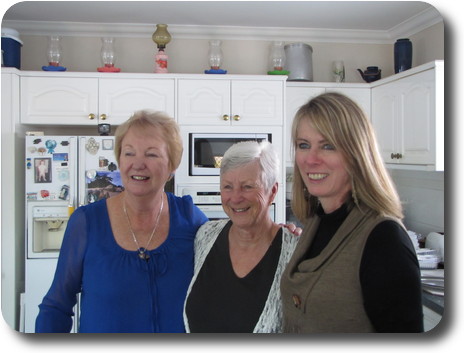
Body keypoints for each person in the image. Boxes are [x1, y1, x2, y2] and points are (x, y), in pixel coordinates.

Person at [35, 110, 208, 333]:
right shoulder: (86, 222)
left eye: (152, 154)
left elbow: (220, 289)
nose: (138, 164)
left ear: (172, 166)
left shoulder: (190, 218)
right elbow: (56, 306)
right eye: (129, 153)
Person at [280, 92, 423, 333]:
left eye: (328, 146)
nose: (311, 159)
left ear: (357, 154)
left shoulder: (384, 239)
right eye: (303, 145)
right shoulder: (316, 222)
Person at [184, 141, 300, 333]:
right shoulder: (205, 235)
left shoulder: (296, 251)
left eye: (247, 187)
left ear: (272, 191)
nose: (236, 198)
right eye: (227, 187)